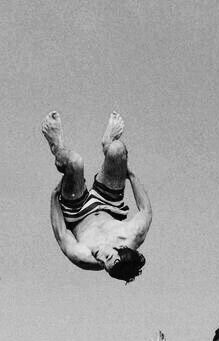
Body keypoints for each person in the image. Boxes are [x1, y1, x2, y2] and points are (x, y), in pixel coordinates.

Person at [42, 111, 152, 283]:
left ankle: (57, 146)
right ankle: (108, 143)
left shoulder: (82, 257)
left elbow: (61, 234)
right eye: (108, 257)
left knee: (74, 162)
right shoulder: (133, 235)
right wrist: (129, 174)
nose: (101, 259)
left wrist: (54, 197)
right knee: (117, 151)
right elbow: (145, 210)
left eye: (104, 264)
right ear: (120, 249)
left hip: (77, 211)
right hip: (109, 202)